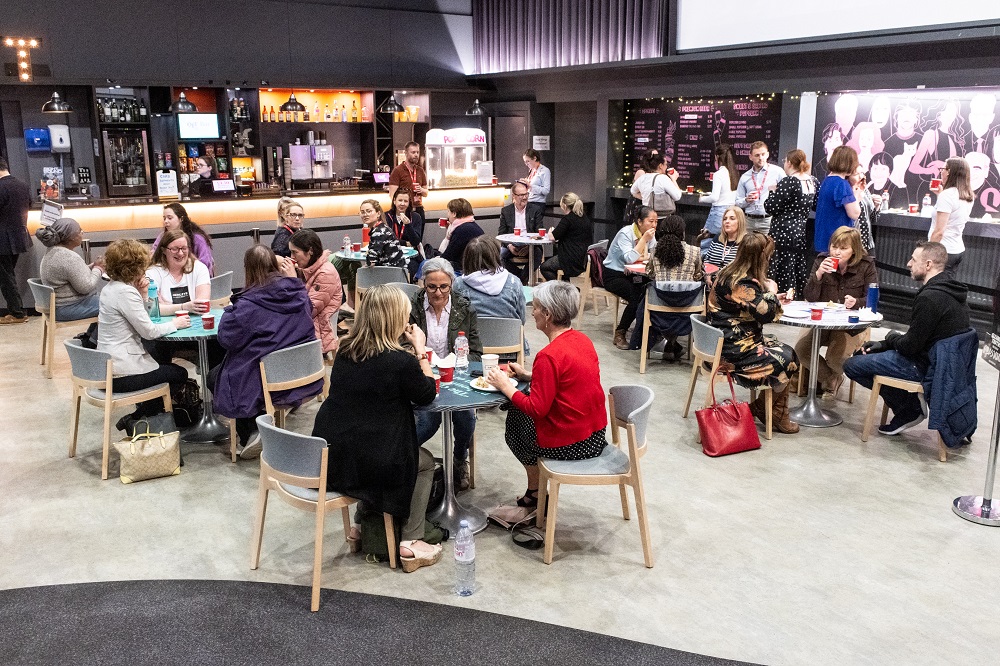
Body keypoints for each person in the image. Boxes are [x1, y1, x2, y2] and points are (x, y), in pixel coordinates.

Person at [312, 284, 442, 572]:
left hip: (334, 454)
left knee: (373, 448)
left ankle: (360, 526)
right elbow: (427, 394)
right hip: (375, 461)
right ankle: (412, 540)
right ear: (395, 319)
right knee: (425, 462)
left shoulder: (345, 350)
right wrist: (420, 350)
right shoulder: (400, 362)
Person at [485, 280, 608, 517]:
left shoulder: (549, 356)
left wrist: (505, 386)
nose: (532, 312)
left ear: (548, 314)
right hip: (595, 434)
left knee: (516, 419)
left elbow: (537, 409)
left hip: (574, 444)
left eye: (537, 307)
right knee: (520, 411)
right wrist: (531, 375)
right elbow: (569, 379)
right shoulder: (582, 340)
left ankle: (537, 492)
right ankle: (535, 492)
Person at [844, 241, 970, 435]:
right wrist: (883, 344)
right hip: (942, 364)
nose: (908, 264)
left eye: (913, 259)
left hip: (926, 367)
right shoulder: (951, 290)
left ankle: (909, 409)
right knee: (868, 356)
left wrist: (890, 337)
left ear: (928, 265)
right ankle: (909, 407)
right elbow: (919, 336)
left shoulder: (930, 297)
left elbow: (910, 346)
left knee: (852, 365)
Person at [211, 245, 320, 458]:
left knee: (215, 376)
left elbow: (226, 338)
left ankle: (253, 430)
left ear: (247, 269)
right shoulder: (297, 291)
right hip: (301, 373)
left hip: (269, 379)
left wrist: (229, 310)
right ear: (275, 264)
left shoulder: (248, 304)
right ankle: (261, 425)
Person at [707, 232, 799, 434]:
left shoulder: (727, 273)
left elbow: (751, 304)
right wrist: (772, 292)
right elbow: (766, 315)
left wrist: (769, 295)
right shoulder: (742, 283)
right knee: (789, 358)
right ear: (761, 258)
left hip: (721, 342)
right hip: (732, 352)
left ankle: (772, 412)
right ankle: (767, 411)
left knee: (784, 349)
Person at [97, 239, 190, 424]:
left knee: (163, 365)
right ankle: (138, 419)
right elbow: (149, 331)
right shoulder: (125, 292)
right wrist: (176, 323)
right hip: (121, 374)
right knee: (178, 374)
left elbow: (144, 319)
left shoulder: (111, 288)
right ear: (134, 266)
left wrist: (144, 294)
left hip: (107, 369)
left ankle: (144, 418)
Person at [409, 257, 482, 491]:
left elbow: (477, 352)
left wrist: (456, 362)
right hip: (422, 376)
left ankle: (460, 459)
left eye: (444, 287)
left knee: (466, 418)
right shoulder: (412, 307)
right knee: (428, 421)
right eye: (431, 287)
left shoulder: (465, 307)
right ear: (423, 284)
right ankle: (401, 455)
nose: (438, 293)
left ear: (452, 284)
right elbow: (401, 346)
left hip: (456, 376)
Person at [795, 227, 878, 398]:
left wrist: (856, 302)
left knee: (836, 359)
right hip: (822, 320)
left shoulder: (866, 265)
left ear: (854, 249)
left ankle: (829, 377)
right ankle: (830, 379)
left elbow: (873, 299)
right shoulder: (821, 261)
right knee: (802, 350)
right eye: (834, 247)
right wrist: (818, 275)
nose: (837, 252)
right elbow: (809, 297)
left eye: (843, 248)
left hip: (850, 324)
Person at [628, 214, 705, 357]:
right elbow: (698, 276)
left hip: (658, 311)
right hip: (687, 311)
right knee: (683, 294)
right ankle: (672, 344)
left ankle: (667, 343)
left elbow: (650, 274)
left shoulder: (655, 251)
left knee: (652, 294)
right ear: (682, 232)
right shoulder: (695, 252)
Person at [454, 236, 527, 354]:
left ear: (467, 258)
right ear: (496, 256)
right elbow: (521, 320)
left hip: (472, 350)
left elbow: (455, 320)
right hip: (510, 349)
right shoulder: (514, 282)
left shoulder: (459, 284)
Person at [765, 149, 818, 298]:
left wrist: (772, 192)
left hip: (782, 232)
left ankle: (781, 298)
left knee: (782, 268)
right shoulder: (812, 181)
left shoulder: (789, 181)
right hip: (800, 231)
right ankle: (797, 296)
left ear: (789, 163)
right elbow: (815, 204)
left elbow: (771, 207)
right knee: (796, 267)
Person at [603, 206, 657, 350]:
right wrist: (644, 239)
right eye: (651, 221)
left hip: (635, 273)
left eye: (656, 222)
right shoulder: (626, 233)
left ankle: (652, 333)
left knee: (653, 289)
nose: (654, 225)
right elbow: (630, 258)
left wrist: (646, 246)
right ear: (639, 221)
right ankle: (620, 333)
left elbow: (653, 255)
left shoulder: (650, 234)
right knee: (637, 296)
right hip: (613, 274)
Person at [36, 217, 105, 321]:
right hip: (68, 308)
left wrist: (92, 266)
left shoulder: (53, 251)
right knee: (115, 305)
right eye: (80, 231)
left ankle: (91, 336)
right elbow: (86, 287)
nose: (82, 232)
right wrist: (99, 268)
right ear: (71, 237)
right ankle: (94, 337)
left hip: (58, 306)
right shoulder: (68, 257)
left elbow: (71, 273)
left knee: (109, 300)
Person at [289, 229, 343, 358]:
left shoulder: (325, 273)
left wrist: (292, 280)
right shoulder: (309, 268)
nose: (292, 257)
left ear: (310, 251)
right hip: (308, 324)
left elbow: (307, 310)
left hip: (316, 329)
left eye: (294, 252)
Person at [146, 229, 211, 317]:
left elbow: (201, 306)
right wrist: (185, 307)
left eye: (184, 248)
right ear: (163, 250)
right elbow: (153, 309)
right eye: (174, 249)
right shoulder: (152, 273)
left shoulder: (199, 268)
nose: (180, 253)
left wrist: (167, 307)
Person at [0, 156, 31, 325]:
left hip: (2, 240)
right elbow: (29, 205)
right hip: (19, 237)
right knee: (8, 275)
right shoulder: (22, 185)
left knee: (6, 278)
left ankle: (17, 313)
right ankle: (17, 310)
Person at [929, 157, 974, 271]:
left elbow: (939, 231)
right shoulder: (968, 195)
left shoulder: (948, 195)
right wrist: (940, 195)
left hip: (943, 251)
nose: (941, 171)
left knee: (933, 286)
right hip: (957, 249)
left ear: (949, 172)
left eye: (942, 169)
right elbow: (953, 215)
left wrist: (927, 252)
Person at [814, 146, 861, 253]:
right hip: (838, 242)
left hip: (823, 239)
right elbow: (854, 214)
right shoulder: (842, 184)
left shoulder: (827, 181)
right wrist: (857, 196)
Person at [538, 192, 593, 281]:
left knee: (544, 267)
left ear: (564, 205)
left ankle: (562, 288)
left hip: (570, 259)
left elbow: (552, 237)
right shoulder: (584, 218)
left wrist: (550, 231)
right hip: (583, 258)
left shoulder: (567, 219)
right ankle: (567, 286)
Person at [498, 181, 543, 281]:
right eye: (521, 195)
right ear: (514, 196)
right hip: (512, 244)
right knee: (500, 256)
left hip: (531, 245)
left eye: (526, 194)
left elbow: (539, 232)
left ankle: (522, 279)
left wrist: (529, 246)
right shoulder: (506, 211)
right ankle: (520, 277)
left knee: (538, 254)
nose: (525, 197)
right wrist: (510, 246)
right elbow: (501, 233)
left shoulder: (535, 209)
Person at [152, 203, 215, 275]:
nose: (166, 221)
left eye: (170, 218)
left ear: (181, 219)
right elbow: (154, 256)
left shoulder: (197, 238)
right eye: (164, 218)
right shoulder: (162, 236)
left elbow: (206, 263)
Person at [735, 141, 783, 235]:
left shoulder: (777, 172)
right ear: (750, 157)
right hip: (749, 221)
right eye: (757, 155)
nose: (761, 158)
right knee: (748, 249)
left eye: (763, 154)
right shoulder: (745, 176)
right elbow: (737, 202)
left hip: (768, 220)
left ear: (768, 154)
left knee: (767, 249)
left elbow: (786, 195)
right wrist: (746, 200)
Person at [698, 144, 739, 252]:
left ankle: (706, 267)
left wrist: (701, 198)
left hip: (718, 212)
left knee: (706, 242)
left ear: (717, 157)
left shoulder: (719, 174)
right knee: (724, 243)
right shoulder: (734, 173)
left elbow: (714, 197)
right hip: (732, 211)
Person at [384, 188, 424, 279]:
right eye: (400, 200)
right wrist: (405, 243)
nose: (402, 204)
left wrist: (408, 225)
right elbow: (386, 239)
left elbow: (416, 242)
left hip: (410, 255)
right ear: (394, 201)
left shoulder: (415, 217)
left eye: (405, 201)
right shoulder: (386, 216)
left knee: (410, 268)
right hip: (389, 254)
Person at [438, 198, 483, 275]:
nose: (447, 215)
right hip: (474, 267)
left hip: (464, 270)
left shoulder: (462, 230)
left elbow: (448, 256)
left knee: (425, 264)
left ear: (454, 214)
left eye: (448, 211)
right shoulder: (470, 225)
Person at [630, 152, 681, 219]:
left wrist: (646, 197)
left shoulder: (642, 178)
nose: (666, 167)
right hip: (661, 218)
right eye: (665, 164)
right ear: (660, 166)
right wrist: (674, 179)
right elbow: (677, 196)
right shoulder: (662, 178)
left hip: (647, 217)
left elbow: (633, 192)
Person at [388, 141, 429, 221]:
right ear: (406, 153)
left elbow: (426, 193)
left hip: (418, 209)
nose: (416, 155)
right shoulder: (397, 170)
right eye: (413, 152)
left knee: (418, 233)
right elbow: (392, 195)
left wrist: (421, 190)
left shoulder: (420, 170)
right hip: (404, 210)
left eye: (417, 152)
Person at [362, 198, 405, 269]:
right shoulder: (383, 227)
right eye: (362, 212)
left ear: (378, 213)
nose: (365, 214)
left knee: (358, 271)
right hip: (398, 273)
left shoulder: (379, 232)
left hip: (388, 275)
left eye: (369, 211)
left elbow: (371, 262)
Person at [704, 206, 747, 270]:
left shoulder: (746, 242)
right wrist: (708, 276)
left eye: (732, 219)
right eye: (725, 219)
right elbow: (706, 260)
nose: (727, 221)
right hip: (710, 277)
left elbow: (745, 268)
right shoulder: (717, 238)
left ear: (740, 221)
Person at [852, 166, 880, 257]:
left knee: (869, 269)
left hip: (868, 243)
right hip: (851, 242)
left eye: (862, 173)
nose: (861, 176)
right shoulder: (846, 190)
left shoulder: (865, 190)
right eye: (857, 173)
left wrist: (877, 205)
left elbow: (873, 218)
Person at [520, 149, 551, 218]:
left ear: (534, 158)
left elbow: (546, 191)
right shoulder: (531, 170)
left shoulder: (545, 171)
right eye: (525, 162)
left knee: (535, 226)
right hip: (529, 201)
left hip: (538, 203)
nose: (526, 164)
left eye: (528, 161)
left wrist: (530, 186)